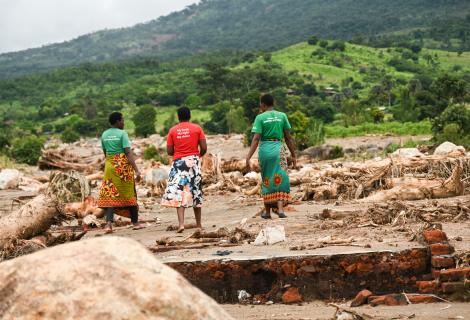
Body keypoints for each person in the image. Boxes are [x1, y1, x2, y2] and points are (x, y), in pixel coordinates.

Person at [245, 94, 296, 219]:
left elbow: (256, 139)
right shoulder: (282, 116)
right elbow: (288, 138)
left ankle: (267, 212)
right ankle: (280, 210)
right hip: (279, 149)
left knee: (266, 179)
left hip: (265, 150)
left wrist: (248, 157)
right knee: (280, 177)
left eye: (260, 104)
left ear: (263, 104)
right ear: (273, 103)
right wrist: (294, 155)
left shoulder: (260, 118)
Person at [161, 107, 207, 233]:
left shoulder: (172, 130)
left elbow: (169, 151)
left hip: (179, 163)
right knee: (196, 192)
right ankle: (199, 225)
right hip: (194, 161)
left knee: (180, 193)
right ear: (190, 116)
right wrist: (198, 155)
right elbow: (204, 147)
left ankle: (181, 224)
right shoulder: (197, 128)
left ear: (178, 117)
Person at [97, 112, 144, 233]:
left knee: (111, 193)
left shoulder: (104, 134)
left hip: (110, 165)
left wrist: (111, 162)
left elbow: (105, 152)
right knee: (129, 192)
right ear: (117, 121)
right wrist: (137, 170)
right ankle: (135, 222)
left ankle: (108, 224)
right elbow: (128, 152)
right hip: (122, 166)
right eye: (122, 120)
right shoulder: (123, 134)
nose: (124, 122)